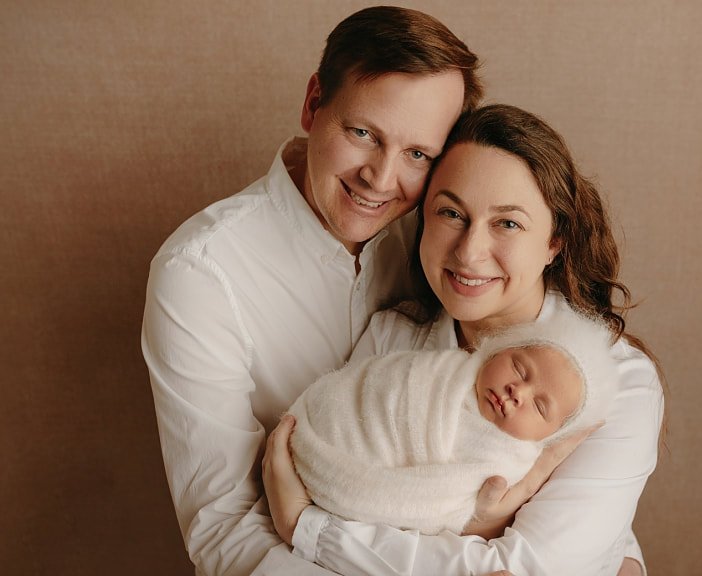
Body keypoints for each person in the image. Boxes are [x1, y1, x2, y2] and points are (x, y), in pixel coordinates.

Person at [141, 7, 480, 573]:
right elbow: (224, 529)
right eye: (363, 134)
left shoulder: (451, 242)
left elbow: (545, 372)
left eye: (418, 154)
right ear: (313, 103)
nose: (381, 179)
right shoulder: (198, 273)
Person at [264, 104, 664, 576]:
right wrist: (480, 530)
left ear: (555, 242)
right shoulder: (391, 337)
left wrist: (308, 528)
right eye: (451, 213)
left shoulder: (619, 385)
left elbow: (527, 570)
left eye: (507, 223)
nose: (470, 252)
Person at [284, 317, 617, 535]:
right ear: (498, 350)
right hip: (324, 427)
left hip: (348, 488)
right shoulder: (446, 369)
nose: (518, 392)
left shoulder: (507, 460)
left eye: (540, 406)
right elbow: (374, 385)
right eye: (519, 368)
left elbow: (441, 501)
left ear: (548, 436)